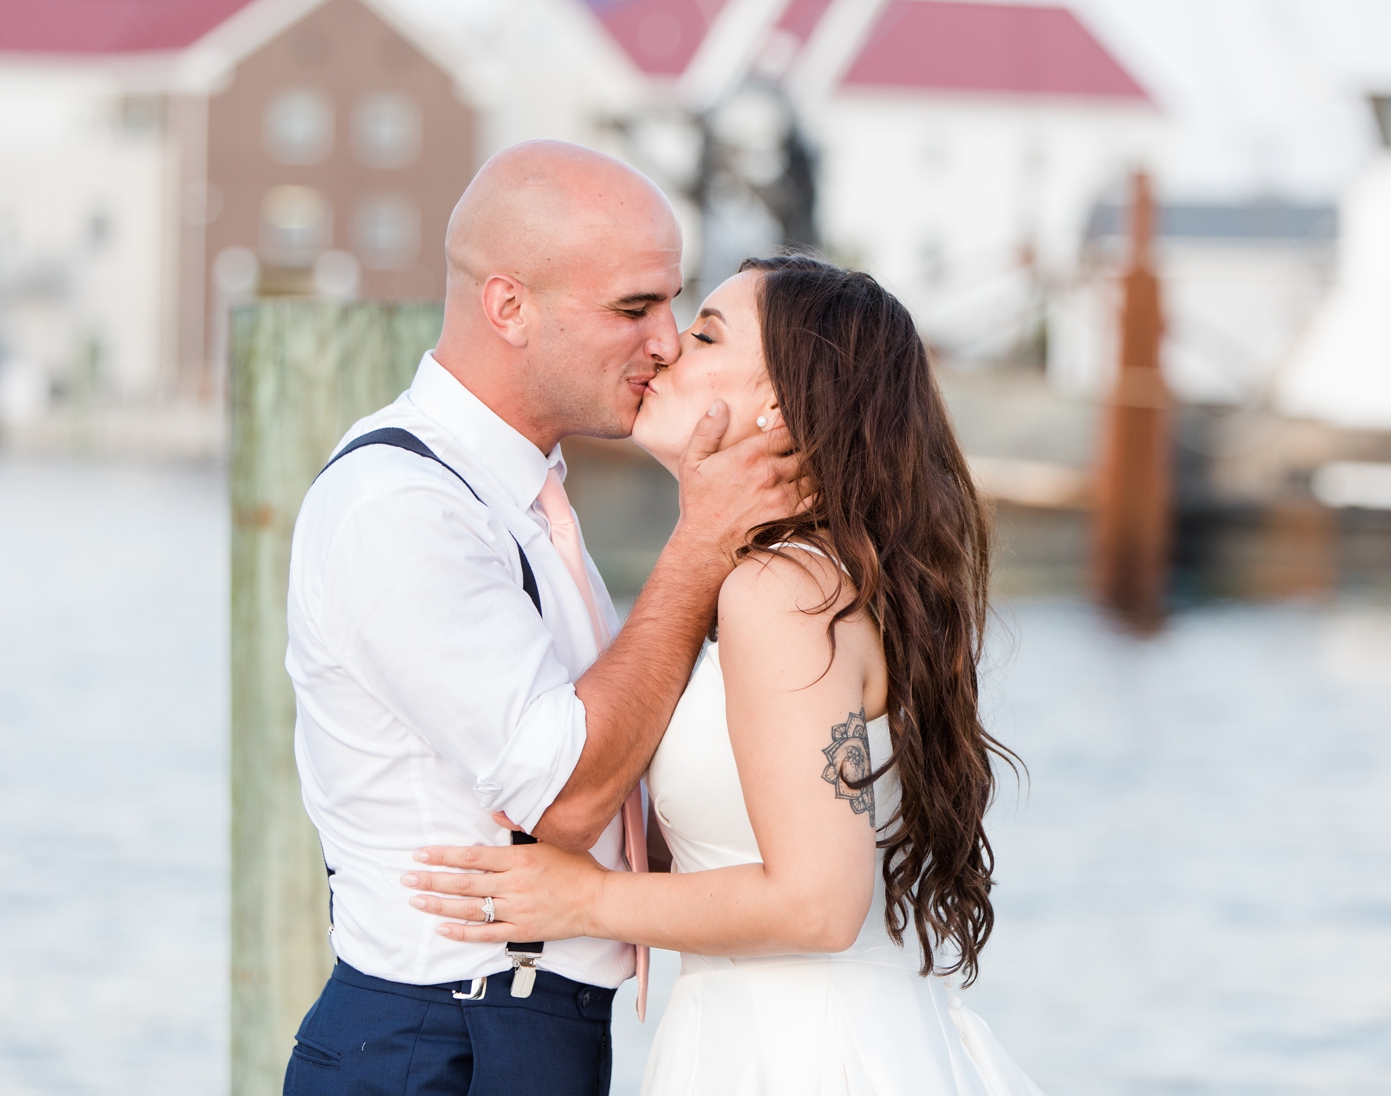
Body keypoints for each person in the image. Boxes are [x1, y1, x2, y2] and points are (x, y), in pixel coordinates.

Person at [402, 256, 1044, 1094]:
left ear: (776, 405)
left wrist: (582, 901)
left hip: (800, 1056)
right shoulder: (808, 579)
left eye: (704, 333)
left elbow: (818, 902)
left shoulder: (779, 591)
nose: (665, 348)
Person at [282, 141, 801, 1095]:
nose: (668, 341)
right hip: (443, 1042)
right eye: (634, 307)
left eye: (673, 304)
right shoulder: (402, 509)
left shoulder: (521, 499)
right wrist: (700, 546)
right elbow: (561, 798)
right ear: (508, 306)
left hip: (519, 1032)